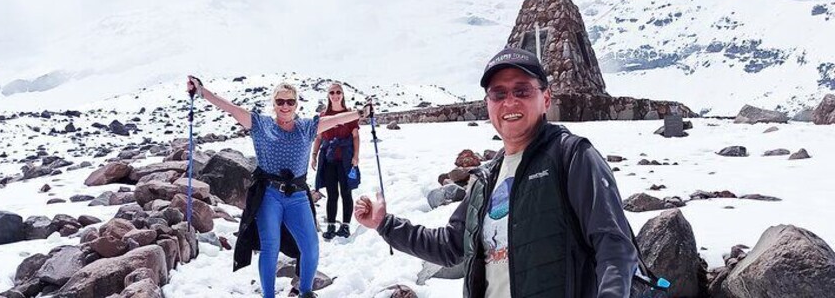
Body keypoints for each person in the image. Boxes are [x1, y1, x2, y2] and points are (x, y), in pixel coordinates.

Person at [354, 48, 638, 298]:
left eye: (522, 90)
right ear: (488, 104)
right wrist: (385, 224)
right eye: (498, 93)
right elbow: (451, 246)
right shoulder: (485, 179)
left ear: (546, 98)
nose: (509, 102)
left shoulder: (572, 156)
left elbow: (614, 246)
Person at [187, 76, 361, 298]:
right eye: (280, 102)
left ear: (296, 104)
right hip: (269, 195)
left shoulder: (307, 127)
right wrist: (202, 91)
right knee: (270, 247)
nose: (285, 106)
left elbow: (338, 120)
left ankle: (305, 291)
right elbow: (230, 107)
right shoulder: (261, 125)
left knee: (311, 247)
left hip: (297, 196)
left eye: (290, 102)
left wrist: (360, 113)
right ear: (274, 104)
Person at [310, 82, 360, 240]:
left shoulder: (350, 114)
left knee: (346, 192)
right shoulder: (323, 116)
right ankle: (331, 225)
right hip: (329, 158)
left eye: (338, 92)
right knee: (332, 194)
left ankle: (345, 226)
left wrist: (356, 156)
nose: (335, 95)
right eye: (332, 92)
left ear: (342, 94)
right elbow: (318, 137)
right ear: (328, 95)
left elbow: (355, 136)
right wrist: (314, 154)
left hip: (345, 158)